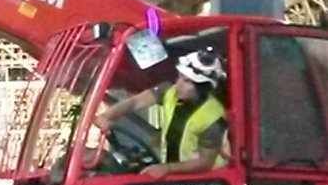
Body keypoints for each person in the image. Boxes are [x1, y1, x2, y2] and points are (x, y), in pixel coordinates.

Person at [95, 46, 228, 178]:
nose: (179, 84)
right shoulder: (169, 91)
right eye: (180, 77)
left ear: (203, 88)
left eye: (187, 81)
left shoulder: (213, 118)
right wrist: (107, 116)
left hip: (206, 183)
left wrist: (167, 168)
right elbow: (135, 102)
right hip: (174, 176)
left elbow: (205, 163)